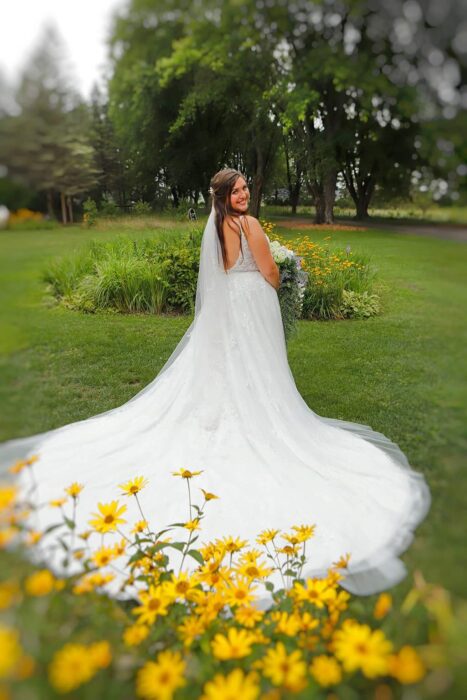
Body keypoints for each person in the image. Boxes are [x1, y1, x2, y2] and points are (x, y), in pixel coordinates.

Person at [0, 168, 431, 599]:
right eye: (237, 190)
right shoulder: (250, 224)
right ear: (225, 195)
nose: (244, 194)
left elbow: (224, 270)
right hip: (253, 304)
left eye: (245, 188)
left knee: (232, 367)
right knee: (256, 370)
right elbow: (268, 271)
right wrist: (286, 273)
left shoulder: (217, 226)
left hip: (229, 306)